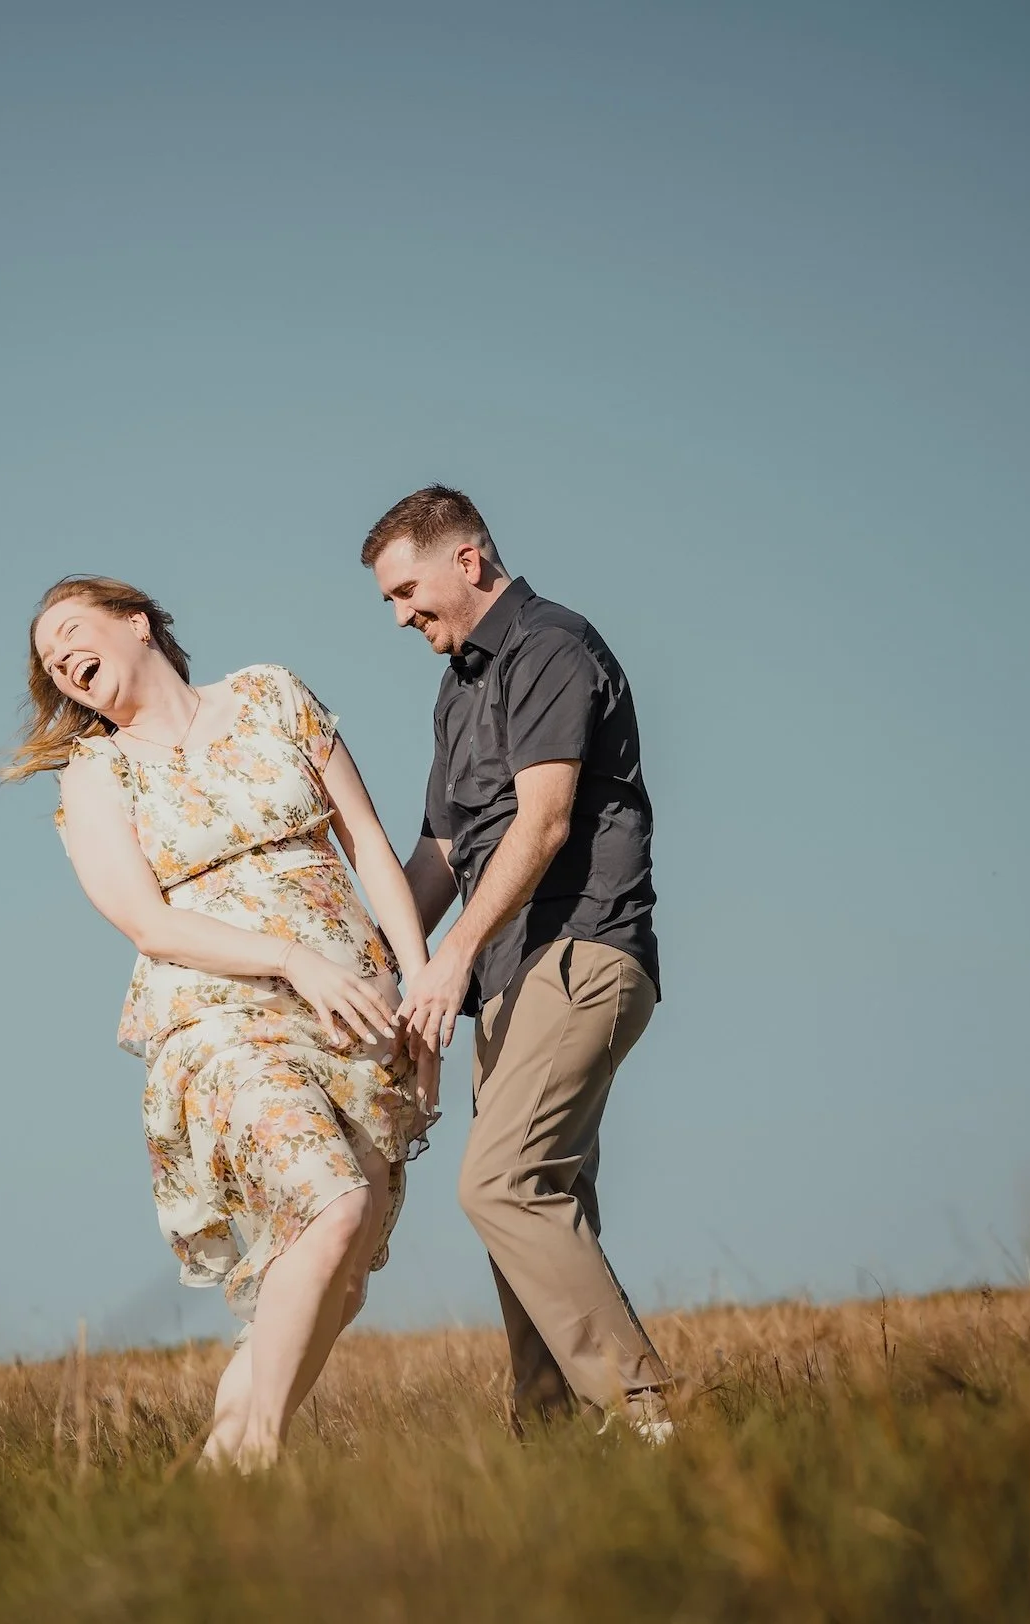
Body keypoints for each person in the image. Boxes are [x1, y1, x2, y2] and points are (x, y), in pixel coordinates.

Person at [3, 574, 438, 1468]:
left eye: (72, 634)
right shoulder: (97, 775)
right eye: (50, 661)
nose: (60, 660)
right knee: (331, 1209)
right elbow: (147, 922)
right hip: (220, 1019)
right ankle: (259, 1456)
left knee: (338, 1274)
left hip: (355, 1010)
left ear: (137, 624)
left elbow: (367, 847)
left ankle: (220, 1472)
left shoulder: (270, 694)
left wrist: (422, 991)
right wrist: (289, 958)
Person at [361, 486, 675, 1442]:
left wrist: (447, 958)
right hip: (503, 978)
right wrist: (362, 966)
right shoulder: (457, 691)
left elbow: (540, 827)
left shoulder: (548, 648)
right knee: (533, 1212)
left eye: (408, 590)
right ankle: (550, 1445)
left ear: (469, 560)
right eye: (389, 602)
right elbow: (438, 859)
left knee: (500, 1185)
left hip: (578, 947)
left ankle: (654, 1419)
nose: (403, 615)